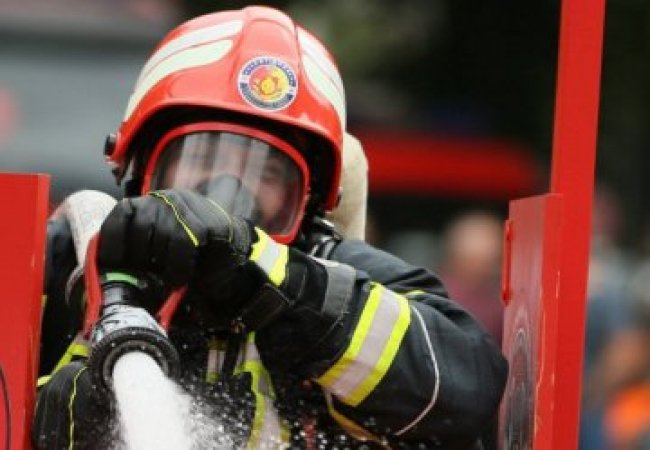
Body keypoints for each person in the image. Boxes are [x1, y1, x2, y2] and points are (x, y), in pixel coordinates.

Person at [32, 6, 507, 449]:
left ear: (309, 200)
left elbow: (466, 388)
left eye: (266, 171)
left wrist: (271, 283)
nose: (226, 190)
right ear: (139, 167)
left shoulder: (330, 277)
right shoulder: (62, 261)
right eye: (202, 156)